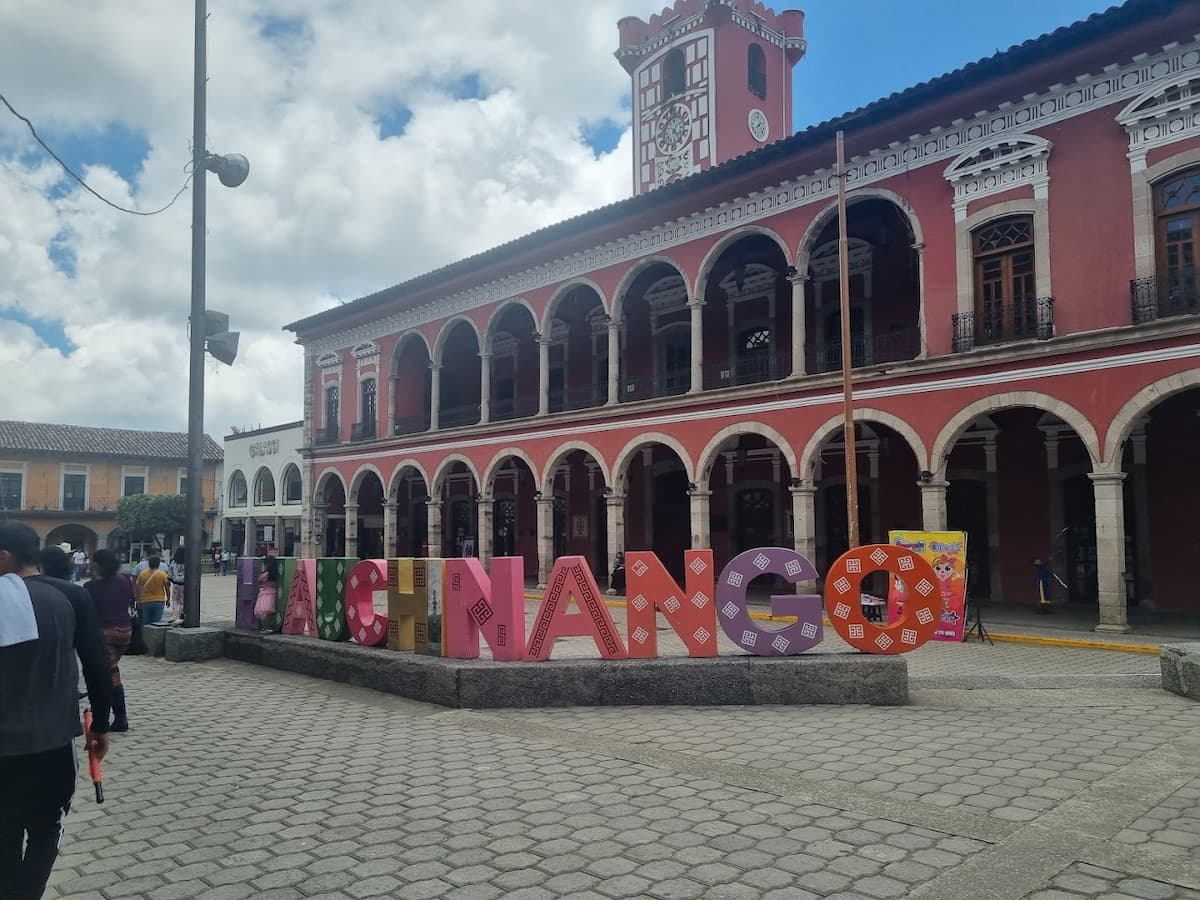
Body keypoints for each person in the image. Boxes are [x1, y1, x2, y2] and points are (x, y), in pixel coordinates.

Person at [0, 522, 110, 900]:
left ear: (4, 556)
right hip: (52, 740)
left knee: (4, 829)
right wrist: (100, 725)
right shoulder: (70, 596)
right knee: (46, 829)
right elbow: (97, 665)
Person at [84, 550, 135, 732]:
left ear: (98, 564)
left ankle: (115, 719)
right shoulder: (125, 580)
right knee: (112, 670)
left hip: (105, 633)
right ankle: (119, 718)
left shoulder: (91, 586)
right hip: (126, 631)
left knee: (107, 676)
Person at [134, 556, 169, 626]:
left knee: (145, 622)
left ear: (149, 564)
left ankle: (145, 633)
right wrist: (168, 598)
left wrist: (138, 599)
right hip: (159, 600)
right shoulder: (162, 574)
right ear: (158, 564)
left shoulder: (142, 574)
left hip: (145, 601)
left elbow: (139, 588)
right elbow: (167, 587)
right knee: (156, 623)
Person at [255, 555, 280, 634]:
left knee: (263, 611)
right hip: (273, 593)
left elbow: (259, 581)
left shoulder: (265, 575)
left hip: (264, 594)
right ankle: (270, 626)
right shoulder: (275, 574)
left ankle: (265, 627)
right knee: (270, 612)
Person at [166, 547, 186, 625]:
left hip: (175, 584)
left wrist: (170, 579)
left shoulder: (173, 562)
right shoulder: (187, 562)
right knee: (182, 600)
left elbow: (170, 573)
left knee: (175, 600)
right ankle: (181, 614)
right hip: (184, 584)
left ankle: (175, 615)